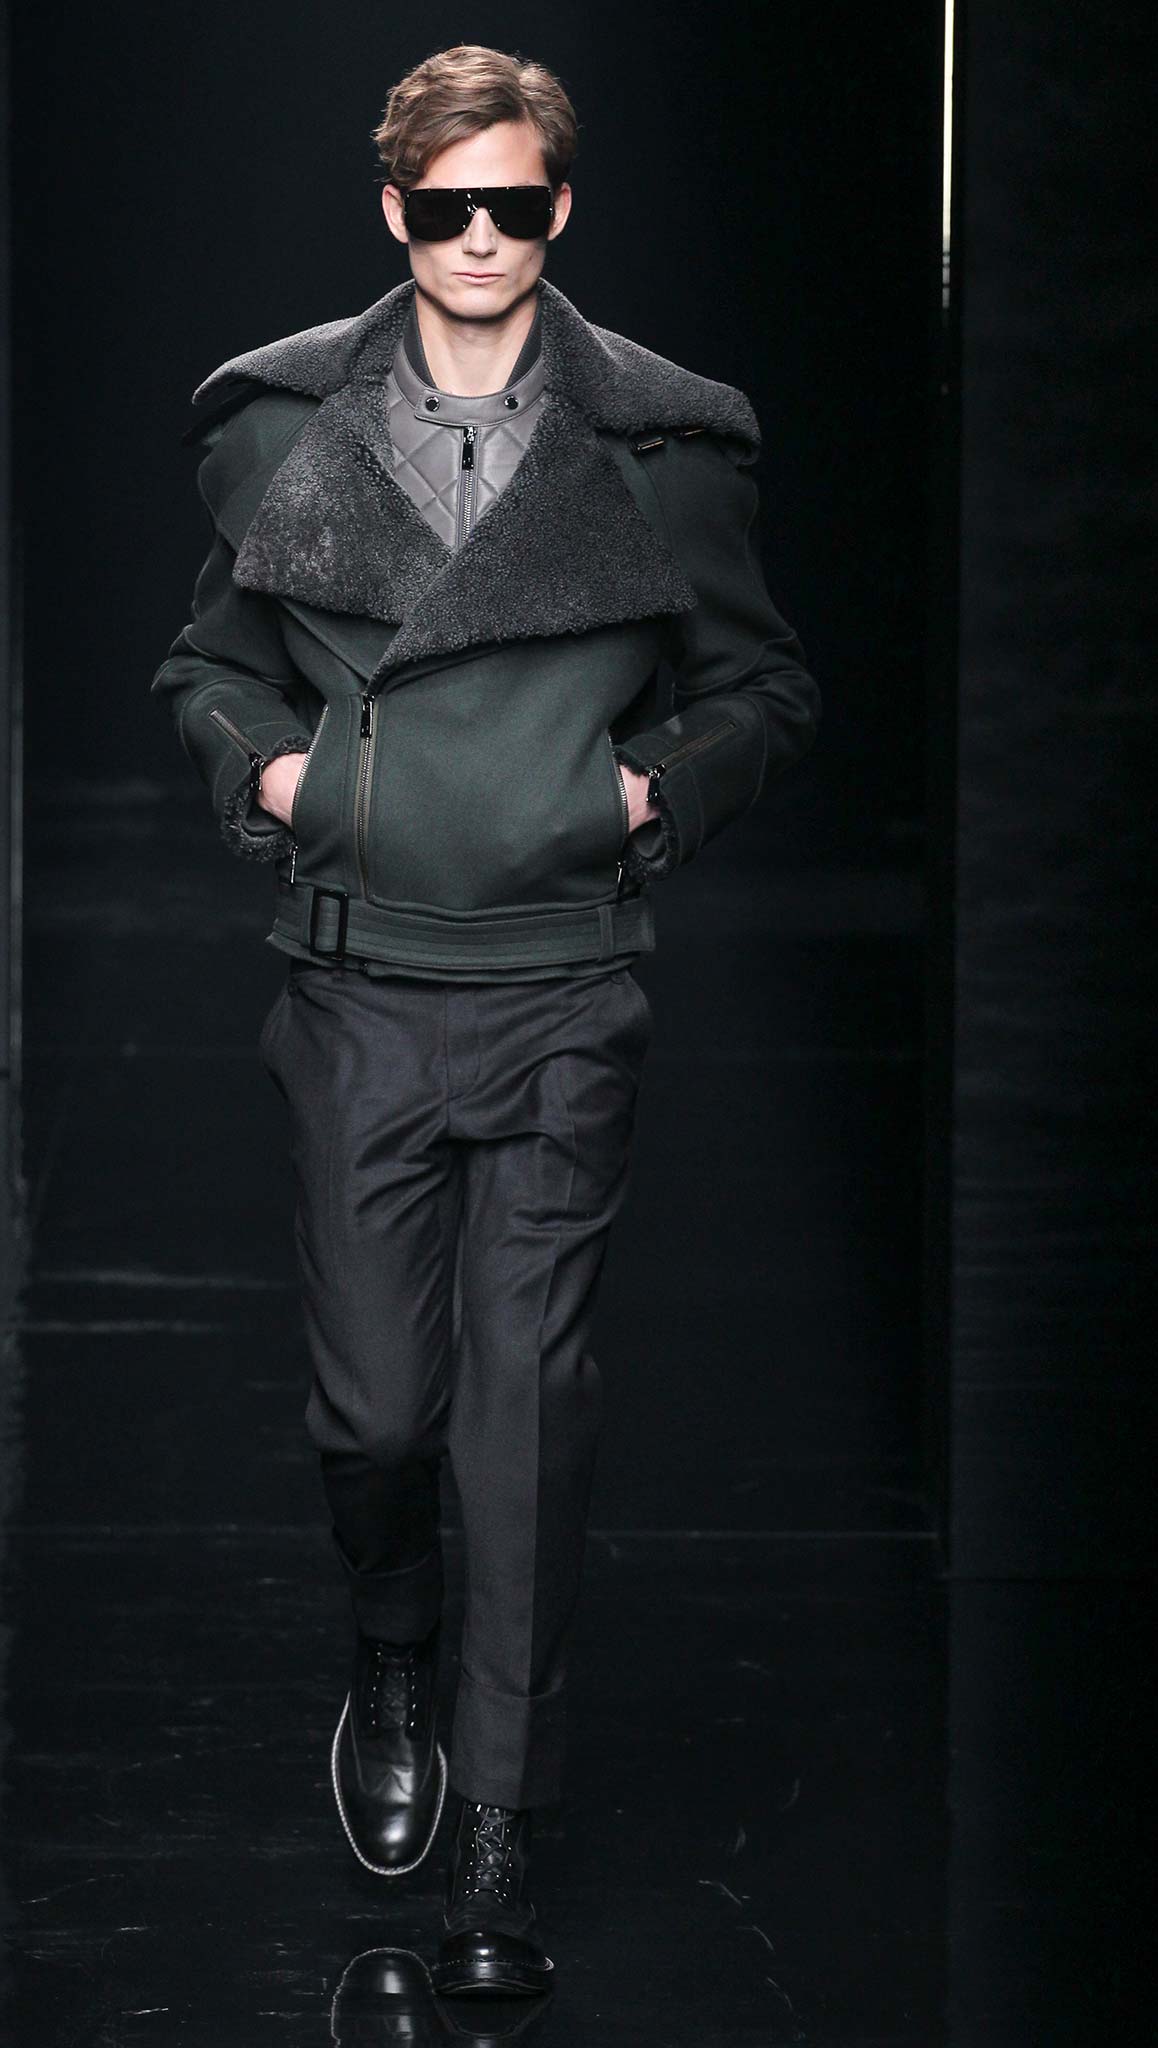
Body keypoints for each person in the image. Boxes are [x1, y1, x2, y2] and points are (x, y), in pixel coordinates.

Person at [152, 42, 821, 2001]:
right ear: (392, 210)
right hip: (358, 972)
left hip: (556, 982)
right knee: (375, 1413)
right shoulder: (278, 430)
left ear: (557, 210)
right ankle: (390, 1658)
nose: (474, 238)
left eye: (510, 204)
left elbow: (763, 691)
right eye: (442, 205)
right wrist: (283, 777)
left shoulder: (663, 449)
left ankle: (501, 1821)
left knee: (521, 1420)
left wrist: (640, 799)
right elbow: (207, 663)